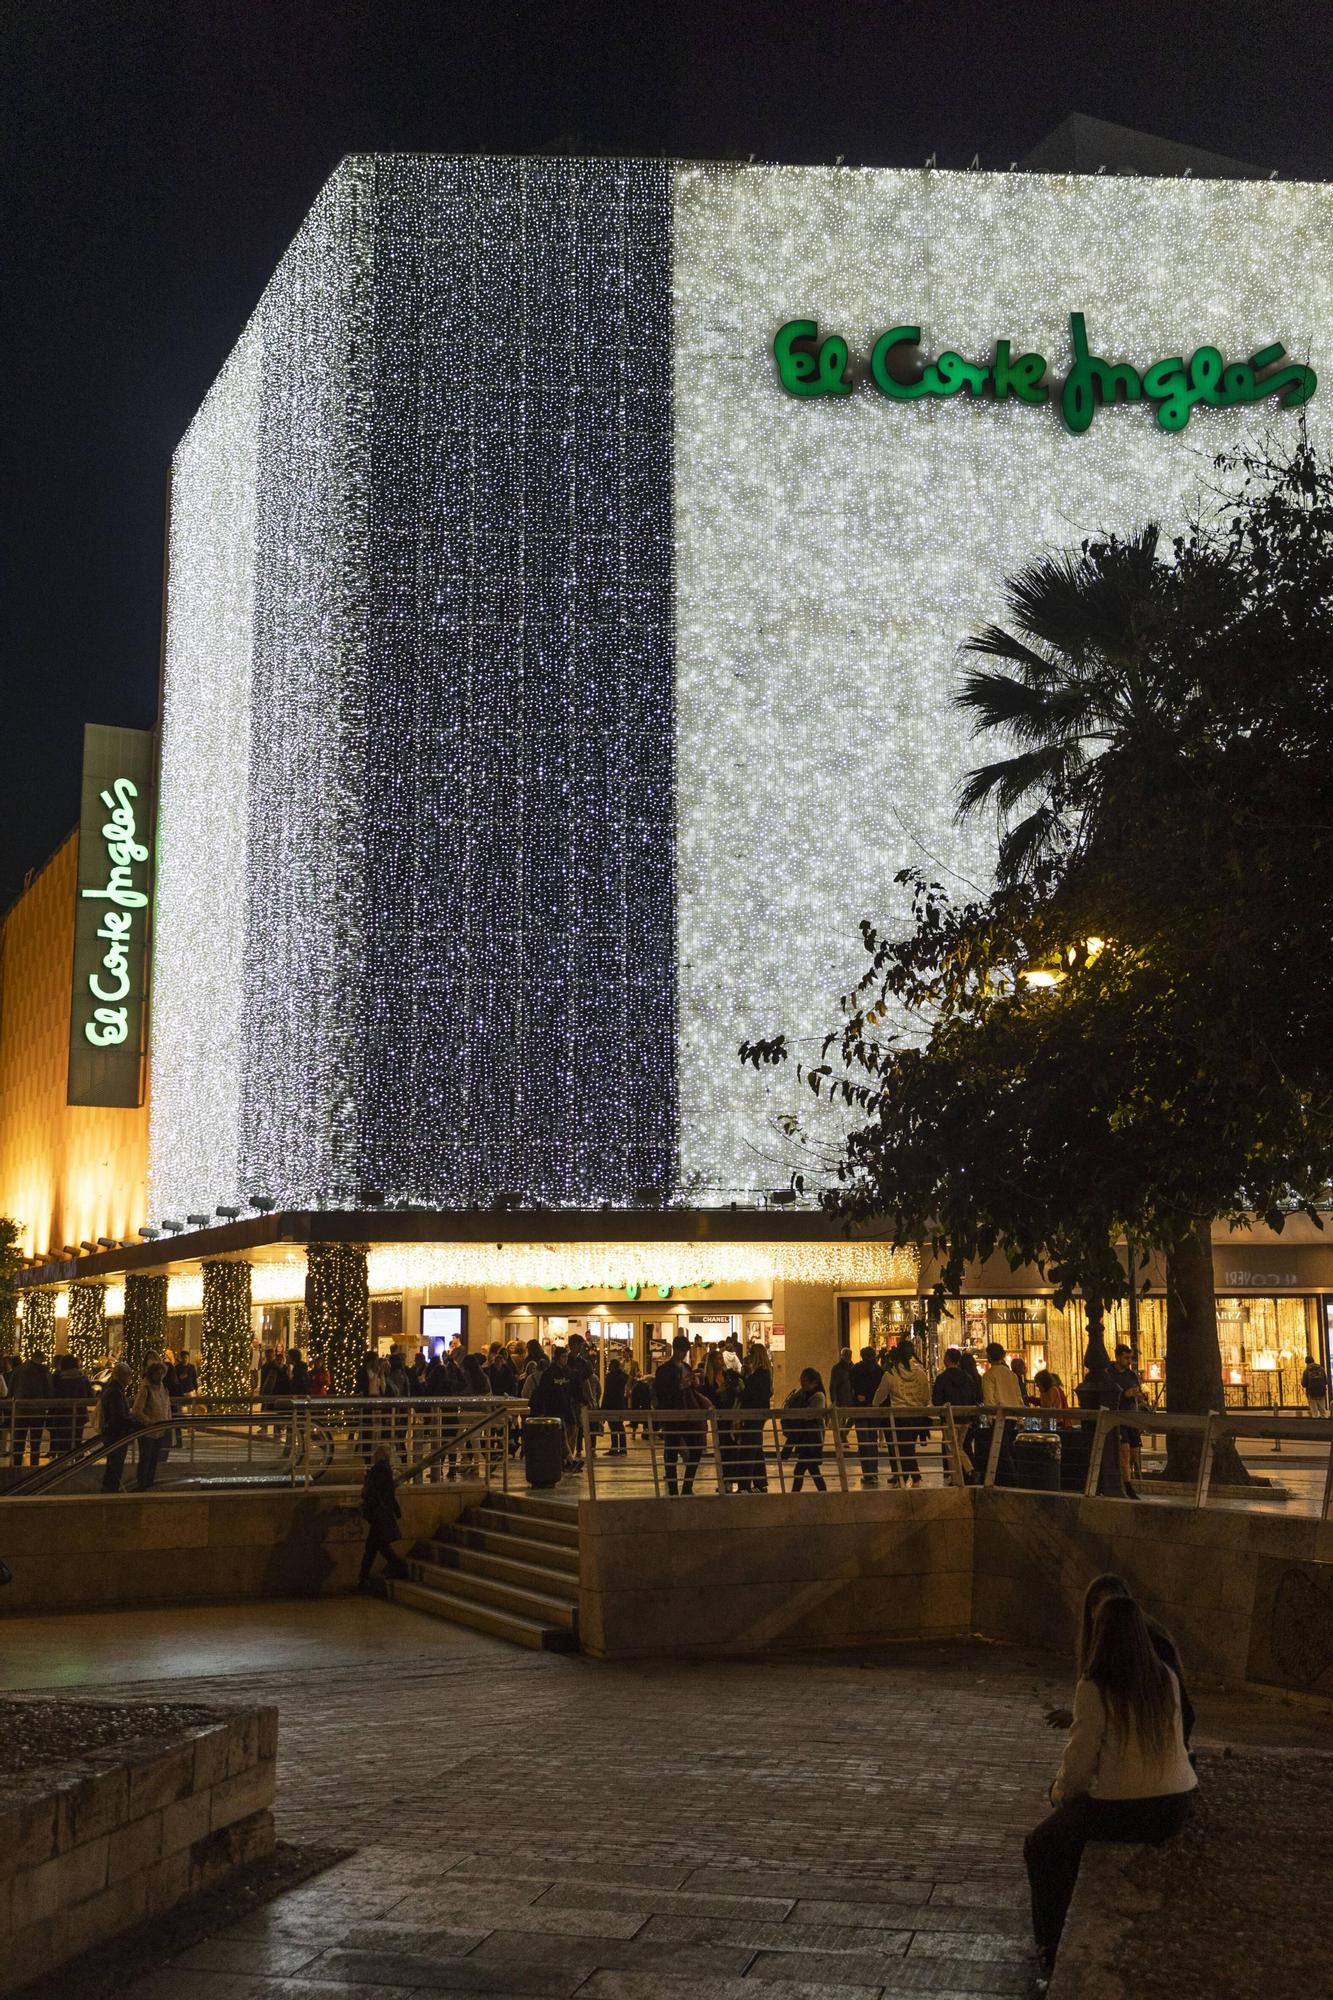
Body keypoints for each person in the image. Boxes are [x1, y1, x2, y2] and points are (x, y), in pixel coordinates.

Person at [1024, 1594, 1197, 1975]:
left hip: (1129, 1810)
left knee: (1040, 1846)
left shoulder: (1095, 1687)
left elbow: (1080, 1760)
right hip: (1176, 1804)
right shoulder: (1164, 1676)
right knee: (1072, 1830)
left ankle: (1049, 1944)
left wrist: (1059, 1793)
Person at [1077, 1574, 1195, 1749]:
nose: (1099, 1612)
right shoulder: (1105, 1647)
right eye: (1096, 1604)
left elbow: (1183, 1711)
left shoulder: (1155, 1645)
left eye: (1108, 1604)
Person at [874, 1337, 932, 1484]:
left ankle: (911, 1475)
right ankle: (907, 1475)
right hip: (916, 1415)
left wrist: (875, 1405)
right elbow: (926, 1396)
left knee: (902, 1448)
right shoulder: (921, 1374)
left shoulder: (891, 1374)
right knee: (909, 1446)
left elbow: (880, 1395)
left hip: (898, 1416)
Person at [654, 1334, 705, 1497]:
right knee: (671, 1453)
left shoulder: (686, 1367)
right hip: (673, 1415)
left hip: (688, 1414)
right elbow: (661, 1394)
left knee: (695, 1449)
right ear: (675, 1350)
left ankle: (687, 1486)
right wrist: (681, 1386)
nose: (683, 1354)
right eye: (681, 1351)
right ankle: (675, 1488)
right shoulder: (664, 1370)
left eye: (685, 1351)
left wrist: (694, 1384)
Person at [359, 1444, 410, 1587]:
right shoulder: (387, 1469)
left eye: (376, 1452)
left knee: (373, 1548)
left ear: (382, 1454)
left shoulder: (378, 1469)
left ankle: (363, 1580)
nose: (374, 1455)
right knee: (376, 1547)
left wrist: (364, 1496)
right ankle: (363, 1579)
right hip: (382, 1514)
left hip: (378, 1515)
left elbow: (372, 1490)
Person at [932, 1346, 982, 1483]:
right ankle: (957, 1477)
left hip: (950, 1418)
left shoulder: (942, 1378)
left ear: (947, 1359)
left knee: (952, 1448)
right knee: (957, 1447)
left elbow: (936, 1400)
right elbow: (973, 1397)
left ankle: (969, 1470)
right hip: (965, 1418)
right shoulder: (967, 1378)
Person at [978, 1341, 1024, 1485]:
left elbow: (989, 1400)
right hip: (1013, 1416)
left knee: (1001, 1451)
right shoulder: (1012, 1375)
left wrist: (991, 1417)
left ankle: (1009, 1479)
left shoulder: (988, 1376)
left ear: (989, 1357)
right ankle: (1016, 1479)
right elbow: (1018, 1398)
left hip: (998, 1417)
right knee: (1010, 1449)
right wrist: (1020, 1418)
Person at [131, 1360, 173, 1489]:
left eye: (162, 1374)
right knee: (146, 1458)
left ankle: (148, 1482)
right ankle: (143, 1483)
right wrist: (148, 1422)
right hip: (148, 1431)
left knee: (154, 1458)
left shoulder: (163, 1388)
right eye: (157, 1374)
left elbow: (167, 1407)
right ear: (152, 1374)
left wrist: (168, 1422)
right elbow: (137, 1409)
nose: (160, 1376)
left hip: (160, 1430)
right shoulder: (146, 1389)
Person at [737, 1342, 773, 1492]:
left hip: (753, 1415)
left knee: (749, 1448)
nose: (749, 1356)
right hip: (758, 1414)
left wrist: (740, 1389)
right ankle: (759, 1482)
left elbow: (749, 1395)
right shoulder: (764, 1374)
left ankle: (745, 1484)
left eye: (751, 1353)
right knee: (756, 1447)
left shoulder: (759, 1375)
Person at [97, 1361, 138, 1492]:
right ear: (121, 1376)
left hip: (112, 1433)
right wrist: (134, 1423)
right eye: (128, 1375)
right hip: (116, 1434)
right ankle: (109, 1491)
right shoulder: (116, 1392)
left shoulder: (113, 1389)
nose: (130, 1377)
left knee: (113, 1465)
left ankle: (109, 1490)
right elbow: (118, 1416)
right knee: (115, 1466)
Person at [785, 1368, 828, 1492]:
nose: (802, 1384)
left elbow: (809, 1415)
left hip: (812, 1439)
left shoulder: (818, 1396)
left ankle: (795, 1495)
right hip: (806, 1438)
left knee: (800, 1470)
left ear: (814, 1382)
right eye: (801, 1381)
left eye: (805, 1381)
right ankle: (823, 1494)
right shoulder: (803, 1393)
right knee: (812, 1470)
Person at [849, 1345, 884, 1487]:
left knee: (864, 1441)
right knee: (872, 1440)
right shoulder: (878, 1370)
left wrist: (858, 1398)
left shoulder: (856, 1369)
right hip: (873, 1408)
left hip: (861, 1408)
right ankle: (873, 1471)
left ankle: (868, 1472)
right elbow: (881, 1389)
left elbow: (852, 1386)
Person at [10, 1353, 52, 1467]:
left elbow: (10, 1390)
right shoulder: (43, 1371)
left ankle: (16, 1463)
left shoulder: (18, 1370)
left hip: (20, 1410)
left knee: (19, 1439)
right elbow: (48, 1390)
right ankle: (34, 1464)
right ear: (40, 1359)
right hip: (37, 1410)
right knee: (35, 1440)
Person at [51, 1353, 94, 1457]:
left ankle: (63, 1464)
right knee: (77, 1440)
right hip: (79, 1415)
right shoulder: (83, 1379)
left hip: (62, 1415)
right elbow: (90, 1396)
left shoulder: (59, 1379)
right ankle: (77, 1461)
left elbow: (53, 1395)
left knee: (63, 1442)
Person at [601, 1352, 629, 1456]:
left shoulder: (610, 1378)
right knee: (620, 1426)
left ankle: (614, 1447)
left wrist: (603, 1407)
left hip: (611, 1405)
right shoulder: (622, 1377)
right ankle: (622, 1448)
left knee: (613, 1427)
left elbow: (607, 1393)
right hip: (620, 1404)